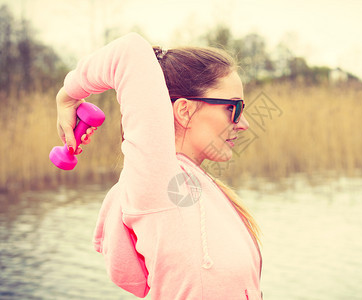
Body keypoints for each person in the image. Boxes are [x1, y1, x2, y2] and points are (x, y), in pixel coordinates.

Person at [55, 33, 262, 299]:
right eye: (233, 107)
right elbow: (129, 52)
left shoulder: (197, 187)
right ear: (185, 111)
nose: (244, 123)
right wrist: (68, 96)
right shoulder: (159, 180)